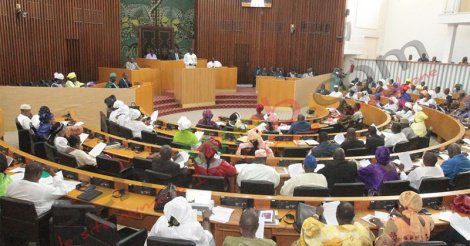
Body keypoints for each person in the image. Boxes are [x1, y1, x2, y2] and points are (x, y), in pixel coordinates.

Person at [147, 197, 215, 246]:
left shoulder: (161, 221)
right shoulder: (194, 227)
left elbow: (149, 240)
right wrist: (206, 218)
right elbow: (207, 238)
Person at [299, 202, 375, 245]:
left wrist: (317, 214)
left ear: (336, 216)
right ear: (353, 216)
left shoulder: (326, 232)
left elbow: (308, 228)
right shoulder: (362, 230)